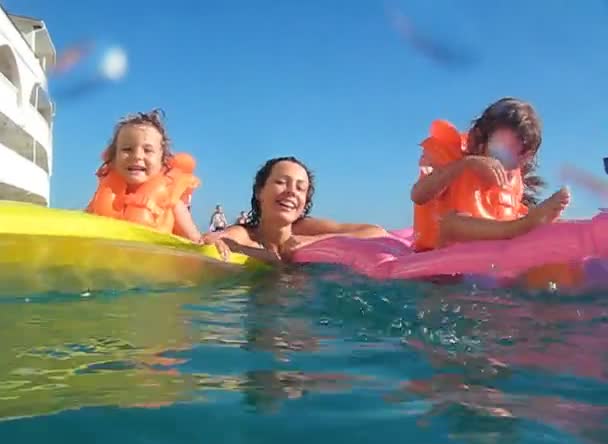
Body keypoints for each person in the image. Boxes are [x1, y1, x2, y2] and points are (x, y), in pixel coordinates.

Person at [410, 97, 570, 251]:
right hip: (439, 247)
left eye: (515, 159)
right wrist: (465, 164)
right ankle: (519, 227)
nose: (503, 165)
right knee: (451, 223)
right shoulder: (454, 161)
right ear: (480, 140)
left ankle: (523, 226)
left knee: (546, 225)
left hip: (487, 246)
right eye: (500, 152)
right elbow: (418, 195)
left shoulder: (514, 179)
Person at [203, 156, 387, 263]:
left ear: (305, 201)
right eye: (281, 182)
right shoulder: (247, 235)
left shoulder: (305, 229)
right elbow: (213, 241)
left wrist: (310, 242)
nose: (291, 192)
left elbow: (376, 232)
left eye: (300, 188)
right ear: (260, 191)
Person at [85, 109, 203, 242]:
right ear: (114, 158)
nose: (137, 156)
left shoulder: (172, 203)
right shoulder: (102, 195)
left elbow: (197, 241)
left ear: (162, 161)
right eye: (127, 149)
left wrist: (210, 241)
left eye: (147, 150)